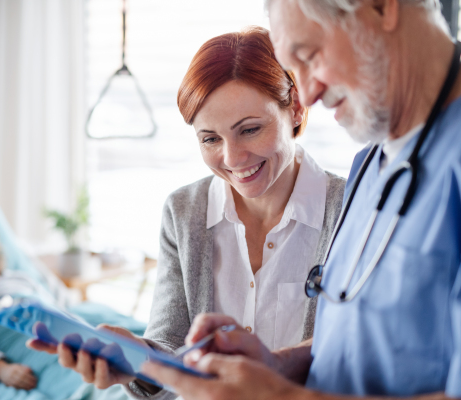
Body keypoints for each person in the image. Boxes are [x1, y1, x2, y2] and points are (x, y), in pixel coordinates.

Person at [140, 0, 461, 399]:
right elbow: (356, 338)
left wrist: (280, 396)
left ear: (382, 7)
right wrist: (275, 363)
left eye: (309, 55)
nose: (308, 93)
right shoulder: (371, 164)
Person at [29, 26, 346, 399]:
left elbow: (357, 348)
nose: (232, 158)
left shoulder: (349, 207)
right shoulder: (184, 211)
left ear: (295, 108)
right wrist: (136, 357)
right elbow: (169, 343)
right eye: (210, 138)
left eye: (250, 130)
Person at [0, 206, 145, 398]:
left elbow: (57, 306)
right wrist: (0, 369)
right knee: (92, 381)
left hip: (65, 332)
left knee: (119, 366)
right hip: (31, 346)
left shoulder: (19, 277)